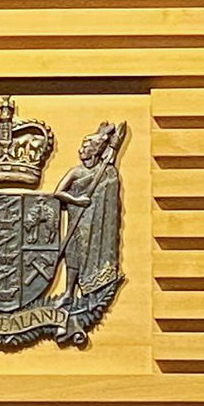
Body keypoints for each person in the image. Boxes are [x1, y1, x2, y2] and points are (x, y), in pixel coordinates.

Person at [53, 121, 124, 299]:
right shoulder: (76, 172)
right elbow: (58, 193)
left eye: (86, 146)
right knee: (72, 253)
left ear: (95, 151)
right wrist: (76, 200)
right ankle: (69, 292)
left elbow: (108, 188)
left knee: (88, 251)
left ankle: (92, 285)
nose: (81, 150)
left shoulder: (106, 171)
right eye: (82, 146)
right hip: (77, 220)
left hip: (93, 224)